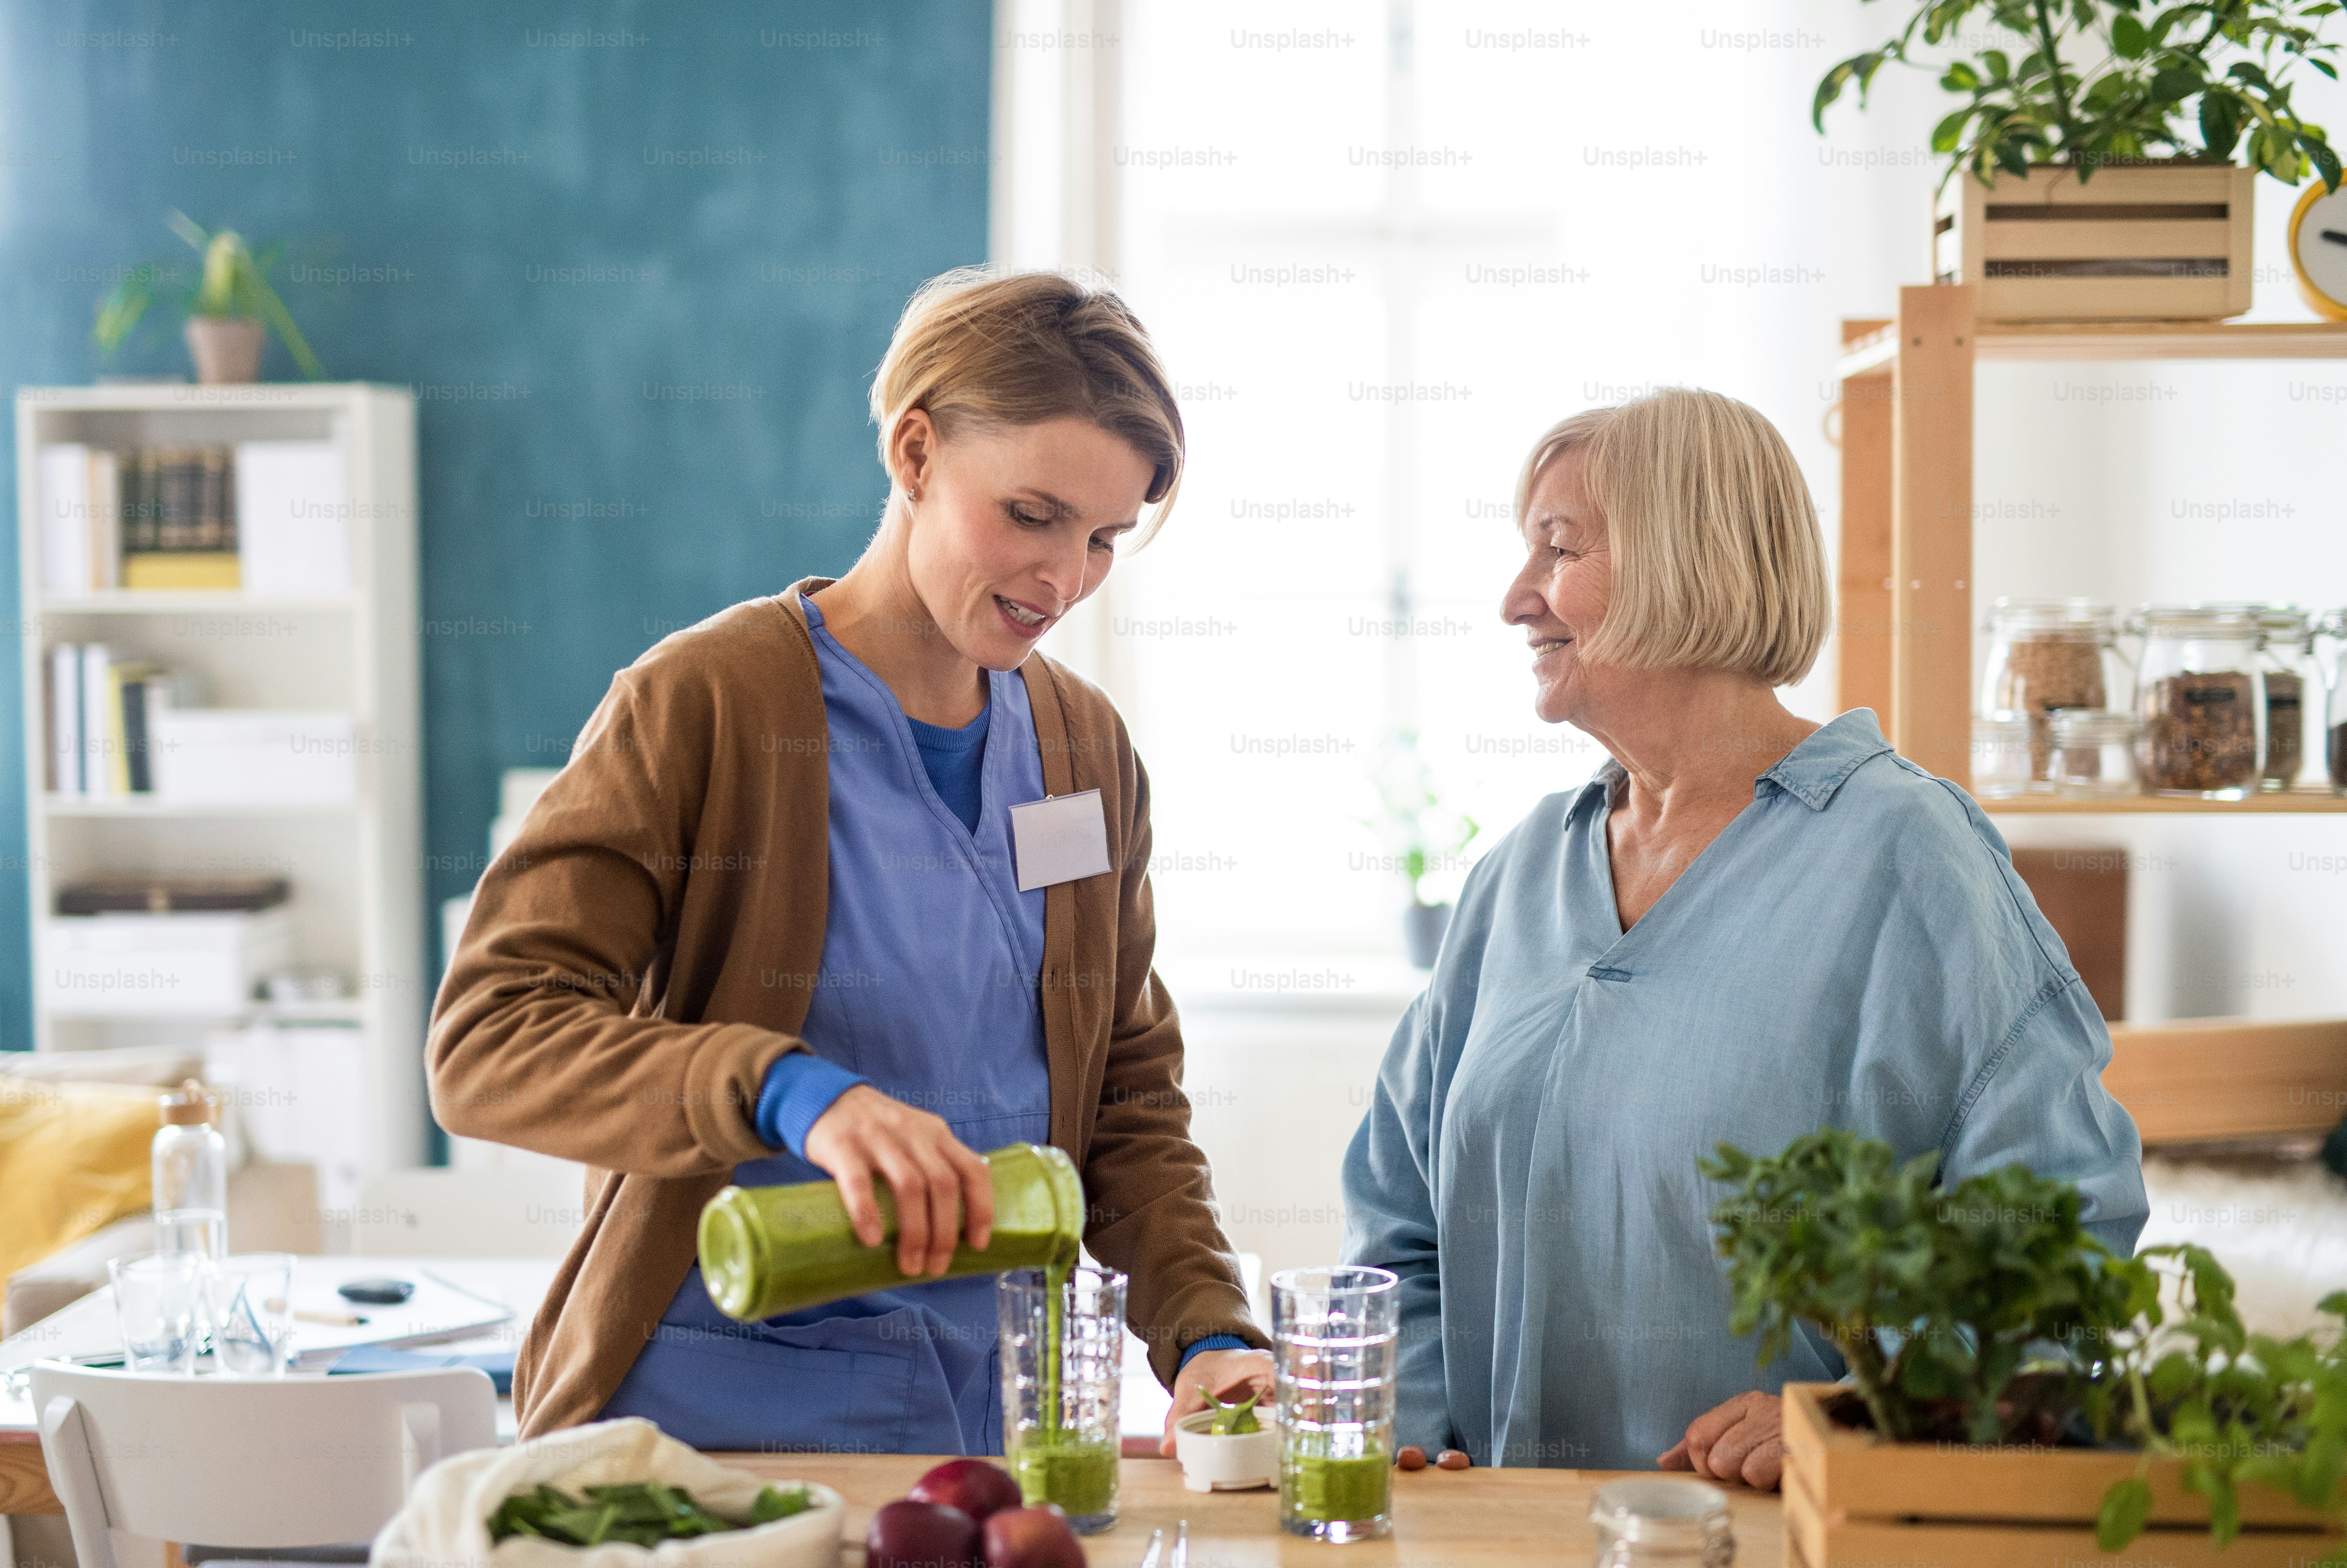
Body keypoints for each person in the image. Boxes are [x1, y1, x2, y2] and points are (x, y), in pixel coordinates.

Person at [431, 268, 1273, 1452]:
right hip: (701, 1431)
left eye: (1103, 539)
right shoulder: (708, 702)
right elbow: (488, 1039)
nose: (1064, 579)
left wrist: (1204, 1324)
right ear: (915, 450)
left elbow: (1125, 1095)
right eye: (1030, 515)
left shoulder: (1083, 751)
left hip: (983, 1430)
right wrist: (786, 1089)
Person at [1339, 387, 2146, 1486]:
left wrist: (1865, 1414)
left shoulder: (1907, 853)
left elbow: (2062, 1227)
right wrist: (1423, 1432)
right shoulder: (1521, 870)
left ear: (1688, 558)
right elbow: (1397, 1221)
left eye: (1558, 548)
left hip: (1783, 1534)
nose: (1514, 600)